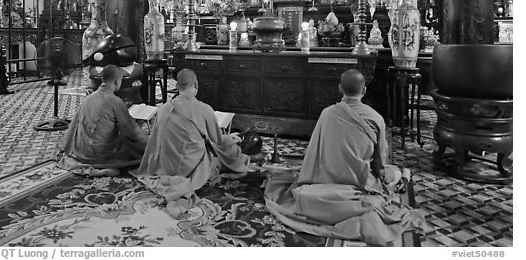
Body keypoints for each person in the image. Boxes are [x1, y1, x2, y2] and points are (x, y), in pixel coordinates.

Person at [264, 69, 426, 246]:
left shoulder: (327, 114)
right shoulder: (375, 118)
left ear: (340, 88)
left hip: (324, 178)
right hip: (359, 182)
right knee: (395, 173)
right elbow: (379, 165)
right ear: (364, 91)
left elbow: (314, 152)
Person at [131, 69, 262, 217]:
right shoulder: (204, 109)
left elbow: (155, 140)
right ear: (196, 84)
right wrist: (233, 138)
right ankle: (241, 162)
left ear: (177, 86)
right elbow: (219, 141)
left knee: (206, 143)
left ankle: (238, 162)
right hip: (188, 166)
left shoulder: (163, 108)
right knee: (221, 149)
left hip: (164, 165)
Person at [57, 64, 147, 177]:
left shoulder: (88, 98)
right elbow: (132, 132)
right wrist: (149, 144)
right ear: (116, 81)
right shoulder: (115, 101)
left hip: (82, 151)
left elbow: (73, 127)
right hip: (101, 154)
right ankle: (106, 166)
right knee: (134, 147)